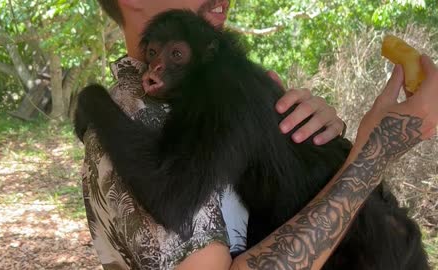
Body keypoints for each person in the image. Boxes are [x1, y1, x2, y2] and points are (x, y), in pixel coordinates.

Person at [80, 0, 438, 269]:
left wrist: (333, 142)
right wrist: (372, 154)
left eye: (174, 53)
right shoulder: (136, 112)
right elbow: (172, 197)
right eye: (159, 53)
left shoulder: (206, 83)